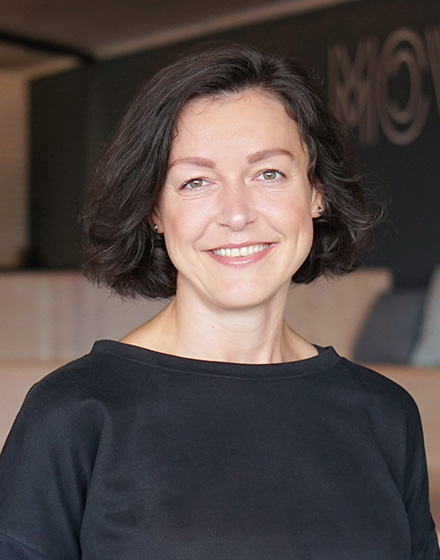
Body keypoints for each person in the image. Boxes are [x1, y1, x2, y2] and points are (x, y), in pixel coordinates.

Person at [0, 44, 438, 560]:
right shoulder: (73, 413)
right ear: (154, 212)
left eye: (268, 173)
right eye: (196, 181)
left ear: (317, 192)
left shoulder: (385, 415)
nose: (236, 213)